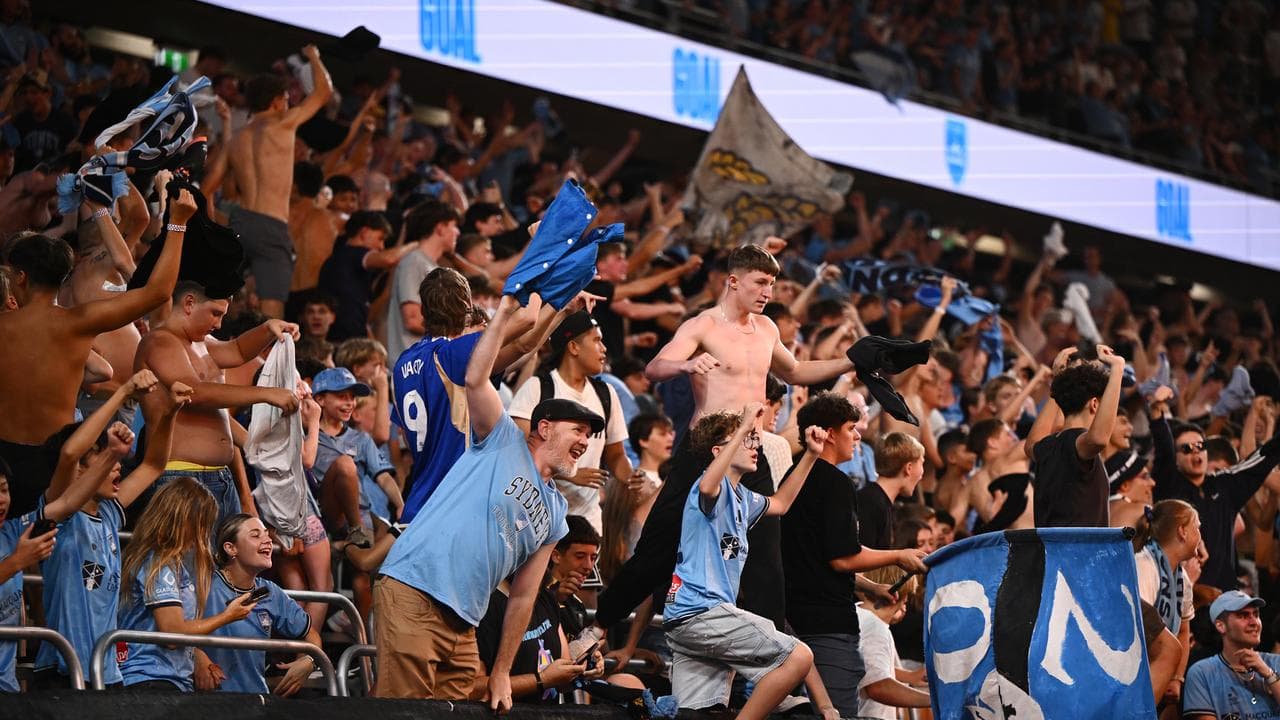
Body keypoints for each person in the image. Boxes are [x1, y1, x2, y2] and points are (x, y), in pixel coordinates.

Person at [583, 245, 854, 656]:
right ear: (733, 281)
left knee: (765, 554)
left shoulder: (766, 330)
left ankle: (770, 658)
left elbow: (797, 372)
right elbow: (655, 367)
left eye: (772, 284)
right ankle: (600, 625)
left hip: (751, 448)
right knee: (660, 544)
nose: (768, 292)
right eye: (761, 282)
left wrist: (850, 362)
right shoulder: (703, 325)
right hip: (703, 447)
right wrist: (686, 366)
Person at [374, 292, 591, 708]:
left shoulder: (557, 513)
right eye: (577, 430)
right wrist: (506, 314)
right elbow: (475, 378)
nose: (585, 441)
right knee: (400, 711)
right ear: (544, 428)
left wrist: (503, 673)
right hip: (416, 590)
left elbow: (525, 596)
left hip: (464, 624)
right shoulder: (502, 440)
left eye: (589, 434)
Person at [0, 190, 195, 516]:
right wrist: (178, 223)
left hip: (5, 458)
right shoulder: (78, 322)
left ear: (20, 277)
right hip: (60, 460)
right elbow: (158, 292)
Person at [663, 404, 832, 720]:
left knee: (696, 715)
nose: (755, 446)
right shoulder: (710, 486)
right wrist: (742, 426)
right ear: (718, 451)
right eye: (746, 440)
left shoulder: (743, 497)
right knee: (797, 656)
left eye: (754, 439)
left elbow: (780, 504)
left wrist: (811, 455)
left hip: (690, 622)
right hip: (702, 611)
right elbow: (707, 487)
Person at [33, 372, 189, 689]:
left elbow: (153, 465)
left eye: (114, 457)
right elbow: (69, 453)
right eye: (102, 457)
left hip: (106, 672)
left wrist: (170, 412)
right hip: (64, 670)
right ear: (79, 469)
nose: (116, 464)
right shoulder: (58, 516)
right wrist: (125, 391)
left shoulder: (108, 512)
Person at [781, 392, 929, 718]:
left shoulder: (793, 476)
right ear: (829, 434)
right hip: (826, 625)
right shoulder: (834, 482)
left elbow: (819, 556)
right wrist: (897, 556)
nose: (859, 435)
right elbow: (842, 558)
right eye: (851, 427)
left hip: (795, 618)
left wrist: (870, 587)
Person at [391, 267, 566, 523]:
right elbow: (527, 322)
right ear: (466, 306)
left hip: (419, 499)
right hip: (455, 498)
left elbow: (405, 432)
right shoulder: (453, 354)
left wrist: (563, 309)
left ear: (424, 310)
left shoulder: (401, 363)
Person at [133, 281, 301, 526]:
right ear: (189, 304)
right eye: (215, 313)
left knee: (223, 563)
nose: (219, 324)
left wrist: (268, 329)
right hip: (180, 477)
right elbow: (195, 392)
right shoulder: (159, 341)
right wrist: (265, 394)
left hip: (221, 478)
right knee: (185, 563)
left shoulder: (202, 343)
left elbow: (238, 351)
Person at [117, 477, 259, 691]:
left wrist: (197, 655)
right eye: (202, 523)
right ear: (183, 520)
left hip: (171, 679)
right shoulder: (158, 563)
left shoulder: (171, 564)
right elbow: (172, 633)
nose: (203, 532)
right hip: (150, 679)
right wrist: (227, 616)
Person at [227, 45, 333, 319]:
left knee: (223, 294)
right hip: (270, 226)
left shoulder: (236, 138)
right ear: (276, 101)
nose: (288, 104)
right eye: (286, 99)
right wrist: (313, 57)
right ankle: (270, 361)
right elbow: (324, 93)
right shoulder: (282, 123)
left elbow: (212, 183)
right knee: (272, 308)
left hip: (238, 220)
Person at [510, 311, 633, 533]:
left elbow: (616, 454)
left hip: (588, 521)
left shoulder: (606, 393)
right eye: (597, 340)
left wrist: (631, 477)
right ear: (574, 347)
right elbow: (517, 451)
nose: (604, 349)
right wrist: (570, 473)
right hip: (537, 515)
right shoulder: (538, 388)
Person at [1150, 384, 1280, 591]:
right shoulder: (1170, 487)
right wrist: (1157, 413)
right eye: (1186, 449)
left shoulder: (1224, 485)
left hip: (1225, 598)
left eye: (1200, 446)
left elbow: (1259, 461)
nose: (1196, 453)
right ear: (1176, 458)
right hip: (1183, 596)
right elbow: (1164, 454)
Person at [200, 514, 323, 696]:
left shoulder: (271, 592)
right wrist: (196, 654)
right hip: (204, 702)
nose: (267, 541)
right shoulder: (204, 585)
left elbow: (312, 637)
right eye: (255, 535)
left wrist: (309, 660)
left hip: (255, 700)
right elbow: (176, 630)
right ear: (231, 548)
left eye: (267, 535)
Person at [1025, 345, 1127, 528]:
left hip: (1050, 554)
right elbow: (1098, 438)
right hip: (1080, 555)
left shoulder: (1047, 446)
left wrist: (1058, 380)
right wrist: (1118, 369)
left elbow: (1030, 443)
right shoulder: (1077, 443)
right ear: (1094, 404)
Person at [310, 367, 402, 547]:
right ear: (320, 399)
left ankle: (351, 542)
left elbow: (383, 477)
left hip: (361, 514)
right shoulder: (308, 437)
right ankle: (352, 534)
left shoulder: (361, 439)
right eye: (341, 396)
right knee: (345, 464)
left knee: (362, 573)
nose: (349, 403)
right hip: (326, 515)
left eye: (352, 397)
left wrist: (400, 505)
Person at [1132, 499, 1200, 705]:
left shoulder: (1183, 578)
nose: (1200, 536)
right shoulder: (1143, 565)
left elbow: (1183, 631)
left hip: (1158, 667)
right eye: (1197, 528)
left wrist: (1176, 678)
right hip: (1133, 669)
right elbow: (1136, 630)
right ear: (1182, 531)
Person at [0, 457, 57, 693]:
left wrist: (112, 454)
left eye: (4, 490)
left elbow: (65, 502)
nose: (1, 499)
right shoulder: (17, 551)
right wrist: (17, 562)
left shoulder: (12, 533)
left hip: (7, 689)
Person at [385, 201, 462, 363]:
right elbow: (412, 318)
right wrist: (457, 333)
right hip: (412, 369)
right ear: (440, 228)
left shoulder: (430, 266)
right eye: (454, 226)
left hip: (426, 365)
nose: (458, 232)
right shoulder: (414, 262)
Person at [1182, 591, 1280, 717]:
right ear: (1221, 626)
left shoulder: (1276, 663)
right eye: (1243, 616)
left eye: (1256, 615)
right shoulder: (1202, 673)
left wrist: (1269, 674)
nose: (1254, 622)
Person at [855, 567, 931, 719]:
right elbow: (878, 687)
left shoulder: (859, 615)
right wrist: (933, 700)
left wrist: (910, 676)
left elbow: (869, 669)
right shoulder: (873, 626)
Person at [858, 432, 927, 549]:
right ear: (909, 468)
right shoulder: (871, 503)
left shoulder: (877, 500)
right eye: (922, 463)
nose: (921, 475)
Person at [1107, 448, 1156, 529]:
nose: (1153, 483)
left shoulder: (1096, 513)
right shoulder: (1143, 512)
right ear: (1125, 486)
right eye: (1145, 477)